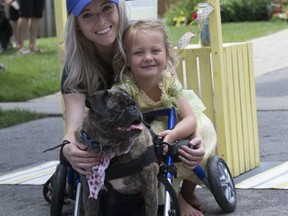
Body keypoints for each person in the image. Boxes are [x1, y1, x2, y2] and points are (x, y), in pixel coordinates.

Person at [58, 0, 208, 215]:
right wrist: (68, 150)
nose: (100, 20)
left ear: (119, 8)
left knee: (160, 139)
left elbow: (176, 99)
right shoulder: (77, 67)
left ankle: (181, 194)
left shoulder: (141, 39)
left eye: (106, 8)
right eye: (87, 15)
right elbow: (73, 125)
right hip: (111, 134)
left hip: (152, 123)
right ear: (77, 25)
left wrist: (196, 137)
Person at [113, 20, 217, 216]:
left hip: (175, 125)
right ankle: (177, 199)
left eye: (155, 51)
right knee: (150, 148)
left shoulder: (168, 81)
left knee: (204, 130)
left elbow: (189, 119)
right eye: (138, 53)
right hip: (148, 131)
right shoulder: (127, 85)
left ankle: (187, 191)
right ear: (126, 59)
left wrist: (174, 134)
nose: (148, 58)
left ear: (167, 54)